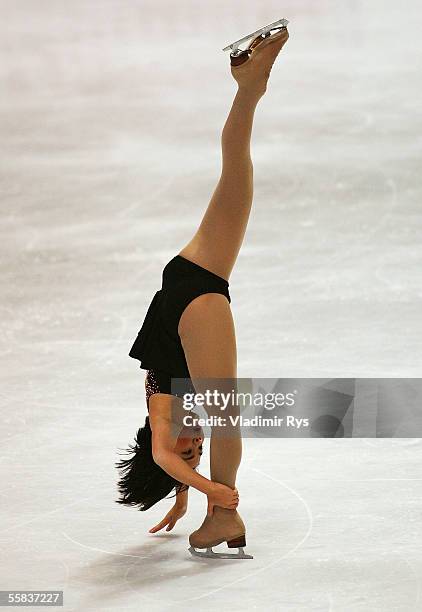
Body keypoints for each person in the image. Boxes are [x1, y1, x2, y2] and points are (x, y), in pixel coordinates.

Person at [115, 24, 290, 559]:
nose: (195, 448)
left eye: (188, 453)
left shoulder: (163, 419)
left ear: (159, 444)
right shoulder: (167, 413)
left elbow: (169, 456)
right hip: (192, 280)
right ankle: (249, 84)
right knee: (237, 174)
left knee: (225, 410)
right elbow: (173, 462)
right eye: (198, 454)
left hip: (192, 297)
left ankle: (226, 517)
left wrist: (210, 489)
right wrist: (181, 499)